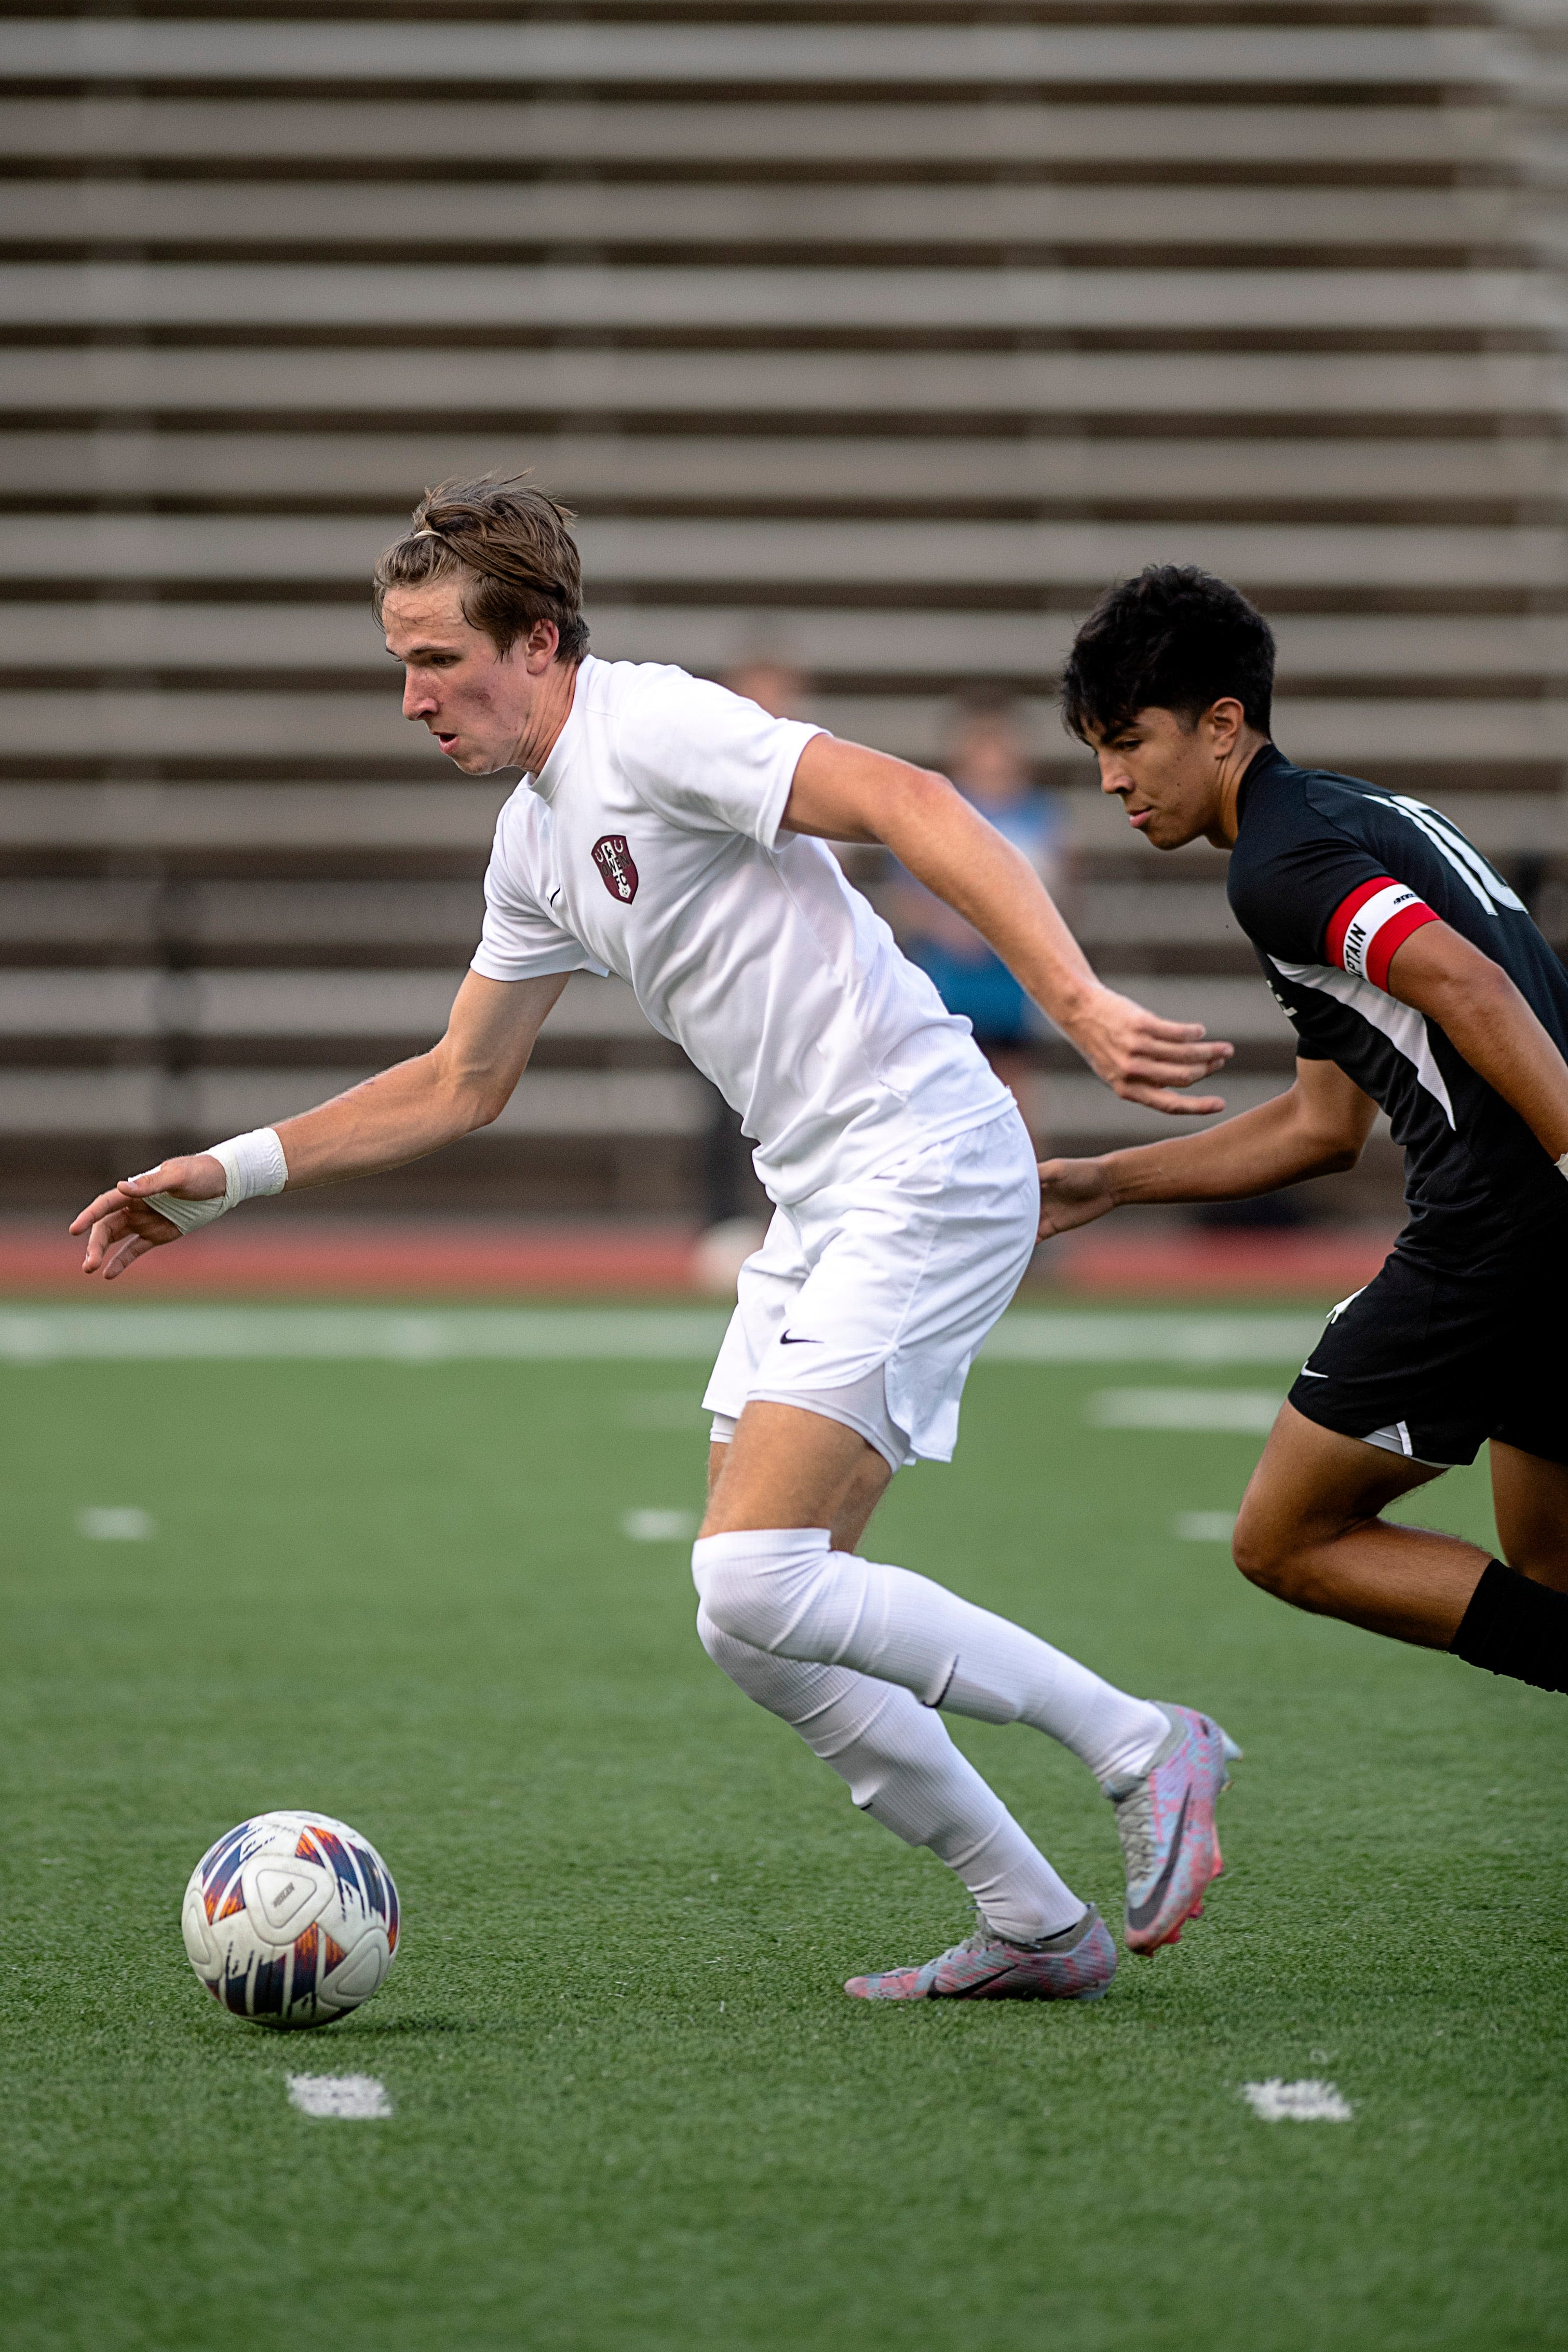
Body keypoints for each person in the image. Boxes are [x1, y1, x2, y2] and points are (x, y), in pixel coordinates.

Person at [71, 479, 1239, 2004]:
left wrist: (1074, 1003)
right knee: (746, 1621)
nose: (411, 697)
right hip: (823, 1195)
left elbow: (912, 803)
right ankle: (1031, 1919)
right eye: (399, 665)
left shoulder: (652, 727)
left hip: (926, 1162)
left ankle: (1143, 1743)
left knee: (757, 1572)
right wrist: (217, 1178)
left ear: (537, 641)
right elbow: (459, 1081)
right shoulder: (534, 839)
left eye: (435, 660)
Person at [1043, 563, 1568, 1697]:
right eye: (1099, 748)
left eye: (1129, 741)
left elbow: (1470, 988)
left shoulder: (1280, 865)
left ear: (1222, 725)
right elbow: (1323, 1129)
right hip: (1539, 1223)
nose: (1109, 778)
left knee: (1282, 1539)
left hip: (1493, 1232)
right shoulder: (1346, 816)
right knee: (1552, 1571)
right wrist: (1106, 1184)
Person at [891, 693, 1070, 1069]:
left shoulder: (1040, 815)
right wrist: (948, 926)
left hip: (1012, 988)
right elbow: (905, 899)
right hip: (950, 983)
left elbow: (1062, 896)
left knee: (1015, 1091)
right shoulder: (935, 814)